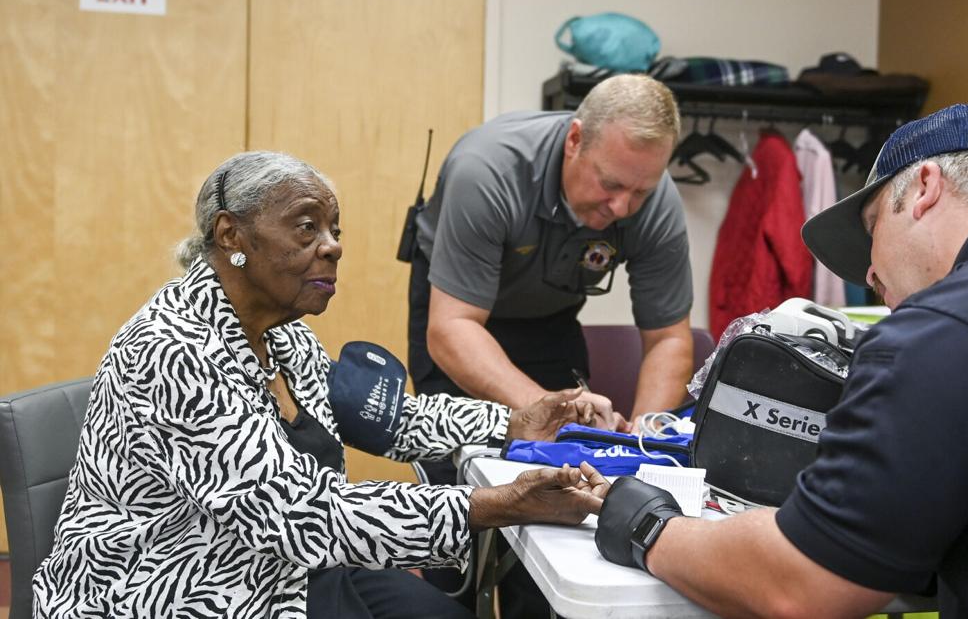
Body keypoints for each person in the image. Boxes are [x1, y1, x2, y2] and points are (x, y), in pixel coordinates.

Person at [593, 104, 968, 617]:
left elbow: (800, 586)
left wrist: (649, 527)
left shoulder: (951, 322)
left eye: (872, 227)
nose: (868, 274)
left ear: (926, 189)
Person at [31, 151, 610, 618]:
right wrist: (495, 504)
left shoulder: (285, 335)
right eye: (308, 227)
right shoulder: (174, 350)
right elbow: (298, 515)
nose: (333, 245)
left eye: (334, 229)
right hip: (174, 585)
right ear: (232, 236)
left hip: (283, 566)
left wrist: (513, 421)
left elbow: (387, 419)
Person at [409, 74, 695, 430]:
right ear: (574, 140)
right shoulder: (487, 172)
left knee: (571, 457)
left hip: (549, 317)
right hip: (458, 316)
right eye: (610, 184)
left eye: (640, 192)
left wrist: (647, 435)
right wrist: (547, 410)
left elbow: (668, 338)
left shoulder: (655, 198)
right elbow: (452, 328)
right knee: (461, 459)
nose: (622, 207)